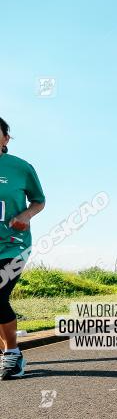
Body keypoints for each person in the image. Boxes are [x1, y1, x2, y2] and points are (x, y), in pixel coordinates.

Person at [0, 117, 46, 379]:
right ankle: (6, 352)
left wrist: (26, 216)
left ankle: (13, 355)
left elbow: (39, 200)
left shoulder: (20, 168)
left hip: (13, 246)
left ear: (5, 139)